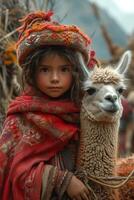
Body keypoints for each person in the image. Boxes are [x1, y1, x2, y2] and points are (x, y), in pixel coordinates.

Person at [0, 11, 97, 200]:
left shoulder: (84, 113)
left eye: (64, 70)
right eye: (45, 70)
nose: (55, 78)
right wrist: (62, 180)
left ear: (76, 72)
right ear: (32, 73)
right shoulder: (20, 118)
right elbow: (13, 173)